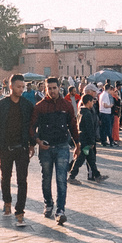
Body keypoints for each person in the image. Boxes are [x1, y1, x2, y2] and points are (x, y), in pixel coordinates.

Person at [0, 74, 36, 224]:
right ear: (11, 87)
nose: (21, 89)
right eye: (18, 87)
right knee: (5, 178)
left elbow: (31, 127)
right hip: (6, 148)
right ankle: (7, 202)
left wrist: (32, 144)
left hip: (22, 148)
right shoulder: (1, 105)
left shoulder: (27, 105)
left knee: (22, 181)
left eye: (23, 86)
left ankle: (19, 211)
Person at [30, 77, 79, 225]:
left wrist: (77, 145)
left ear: (59, 88)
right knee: (46, 178)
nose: (52, 91)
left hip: (62, 146)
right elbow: (32, 127)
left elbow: (73, 126)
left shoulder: (67, 105)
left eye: (54, 88)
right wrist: (37, 142)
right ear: (46, 89)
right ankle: (48, 203)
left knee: (61, 179)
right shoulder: (40, 106)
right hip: (46, 147)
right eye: (49, 88)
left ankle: (60, 210)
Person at [69, 94, 107, 183]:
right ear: (88, 102)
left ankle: (97, 175)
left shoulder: (81, 112)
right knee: (81, 158)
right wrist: (92, 142)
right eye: (92, 102)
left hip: (83, 139)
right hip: (86, 141)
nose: (93, 104)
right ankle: (72, 176)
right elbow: (89, 129)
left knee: (91, 159)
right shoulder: (87, 114)